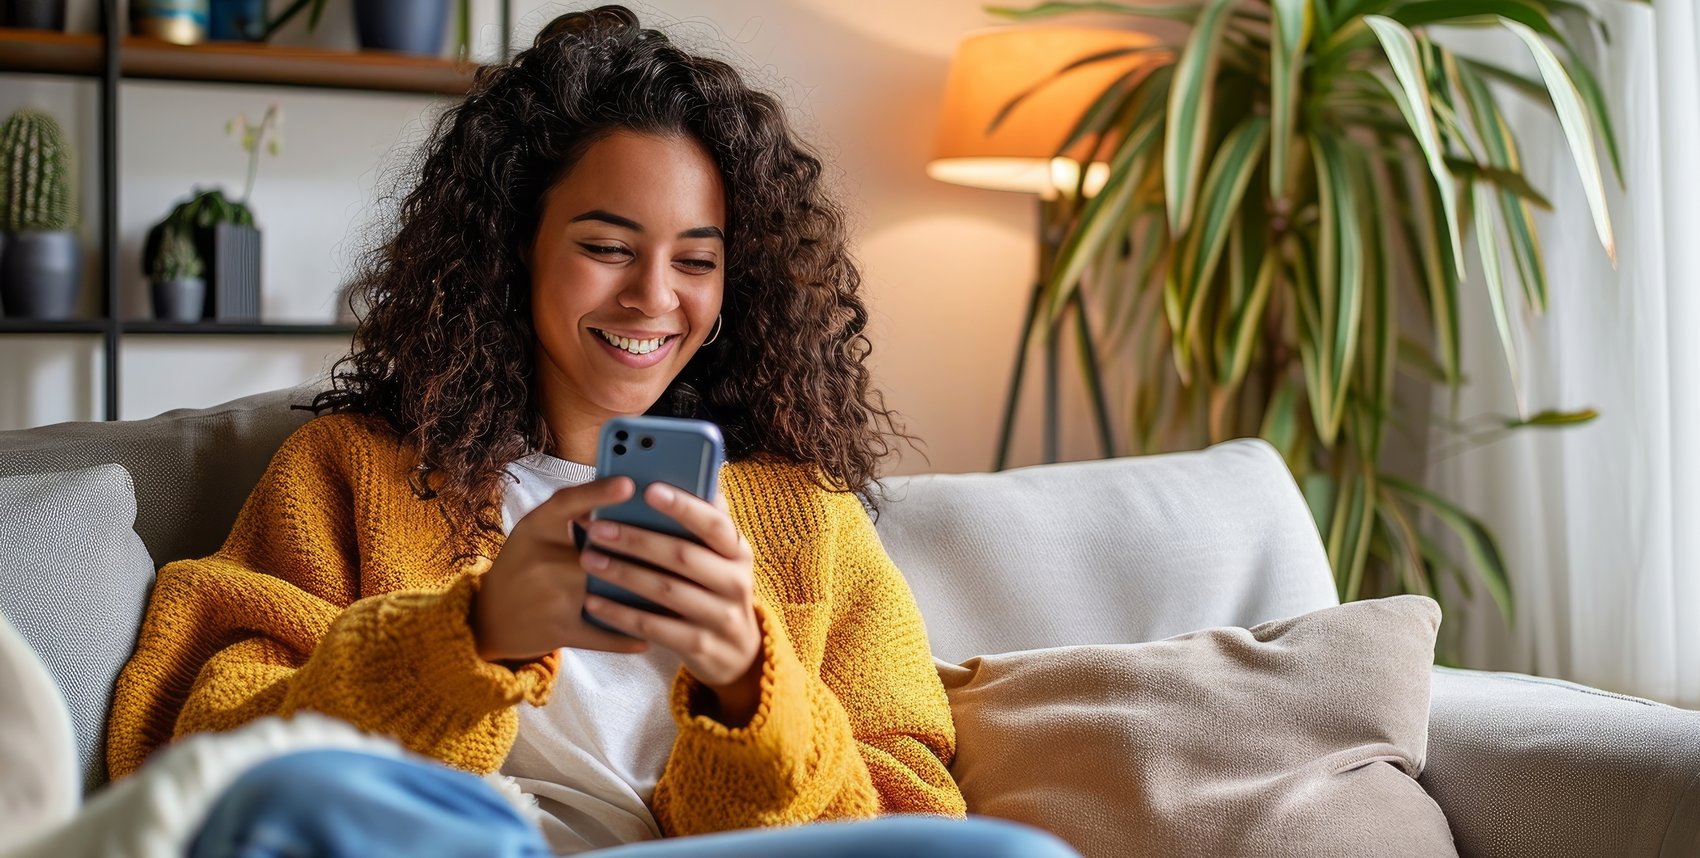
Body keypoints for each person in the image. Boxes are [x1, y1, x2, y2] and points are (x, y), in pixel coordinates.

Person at [104, 6, 1078, 857]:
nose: (653, 297)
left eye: (695, 260)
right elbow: (219, 763)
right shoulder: (348, 476)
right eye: (607, 247)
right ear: (511, 247)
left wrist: (748, 683)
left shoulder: (807, 519)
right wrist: (469, 638)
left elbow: (912, 809)